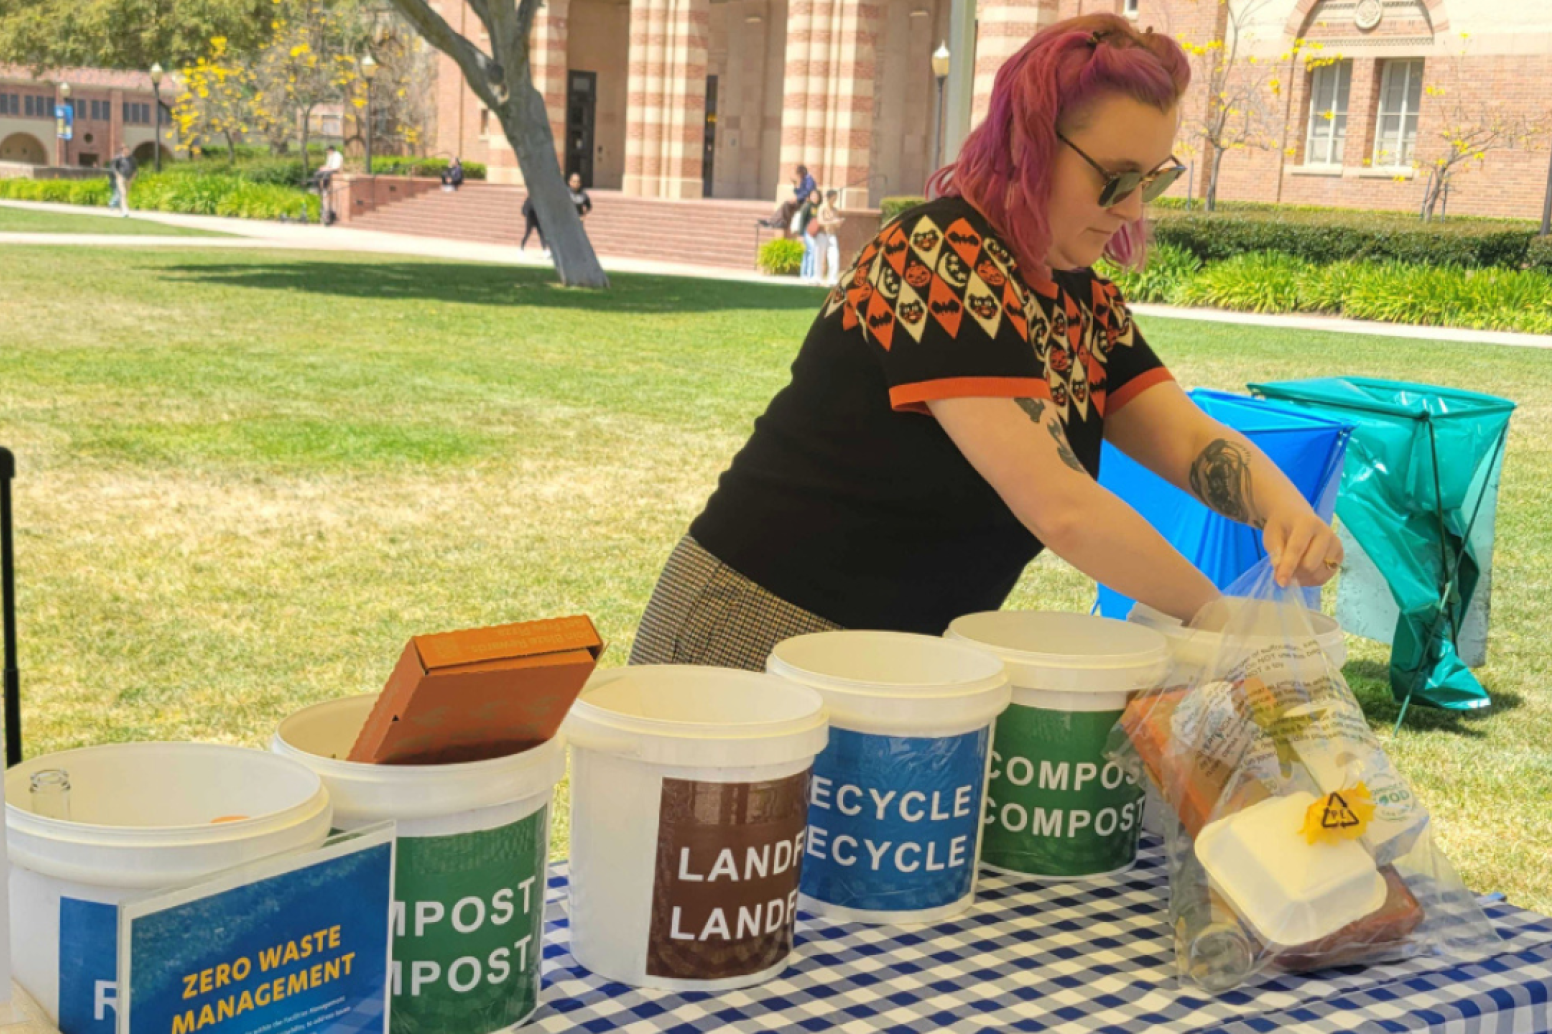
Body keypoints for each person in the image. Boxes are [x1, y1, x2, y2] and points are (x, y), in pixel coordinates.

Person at [630, 14, 1343, 671]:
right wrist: (1222, 621)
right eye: (1115, 179)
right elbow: (1060, 505)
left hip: (888, 655)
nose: (1130, 208)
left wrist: (1284, 511)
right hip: (754, 629)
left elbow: (1189, 442)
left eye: (1152, 181)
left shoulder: (1084, 300)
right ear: (1030, 147)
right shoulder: (937, 255)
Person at [761, 164, 817, 233]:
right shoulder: (803, 179)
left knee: (787, 204)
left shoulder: (809, 179)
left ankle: (777, 222)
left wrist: (797, 198)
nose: (797, 176)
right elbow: (798, 192)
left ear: (801, 172)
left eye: (798, 174)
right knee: (786, 204)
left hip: (806, 202)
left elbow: (807, 192)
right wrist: (795, 184)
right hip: (801, 201)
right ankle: (774, 222)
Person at [816, 189, 845, 285]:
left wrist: (838, 222)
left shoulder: (835, 210)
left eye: (836, 198)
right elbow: (820, 222)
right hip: (822, 234)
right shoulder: (822, 208)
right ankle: (818, 278)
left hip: (832, 235)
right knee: (819, 256)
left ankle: (832, 279)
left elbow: (836, 224)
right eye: (833, 198)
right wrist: (832, 222)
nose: (835, 200)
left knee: (834, 256)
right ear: (828, 198)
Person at [314, 145, 345, 223]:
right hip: (329, 169)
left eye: (328, 151)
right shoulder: (330, 156)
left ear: (331, 150)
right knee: (317, 174)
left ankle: (325, 188)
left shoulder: (338, 156)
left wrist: (328, 169)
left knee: (326, 175)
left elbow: (337, 167)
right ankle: (317, 188)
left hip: (335, 170)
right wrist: (323, 167)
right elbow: (328, 165)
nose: (327, 152)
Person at [798, 188, 823, 283]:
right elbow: (802, 220)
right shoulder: (807, 206)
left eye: (816, 195)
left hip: (816, 233)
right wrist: (800, 234)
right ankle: (809, 274)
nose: (814, 197)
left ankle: (805, 274)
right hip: (807, 232)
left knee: (808, 252)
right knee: (811, 251)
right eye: (813, 195)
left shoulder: (820, 207)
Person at [108, 146, 137, 217]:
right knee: (123, 193)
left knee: (125, 195)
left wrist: (133, 177)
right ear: (122, 151)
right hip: (120, 178)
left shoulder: (132, 159)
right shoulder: (118, 158)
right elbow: (113, 167)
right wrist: (117, 174)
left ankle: (121, 209)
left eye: (128, 150)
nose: (127, 152)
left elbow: (135, 169)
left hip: (129, 179)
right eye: (125, 150)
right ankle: (125, 211)